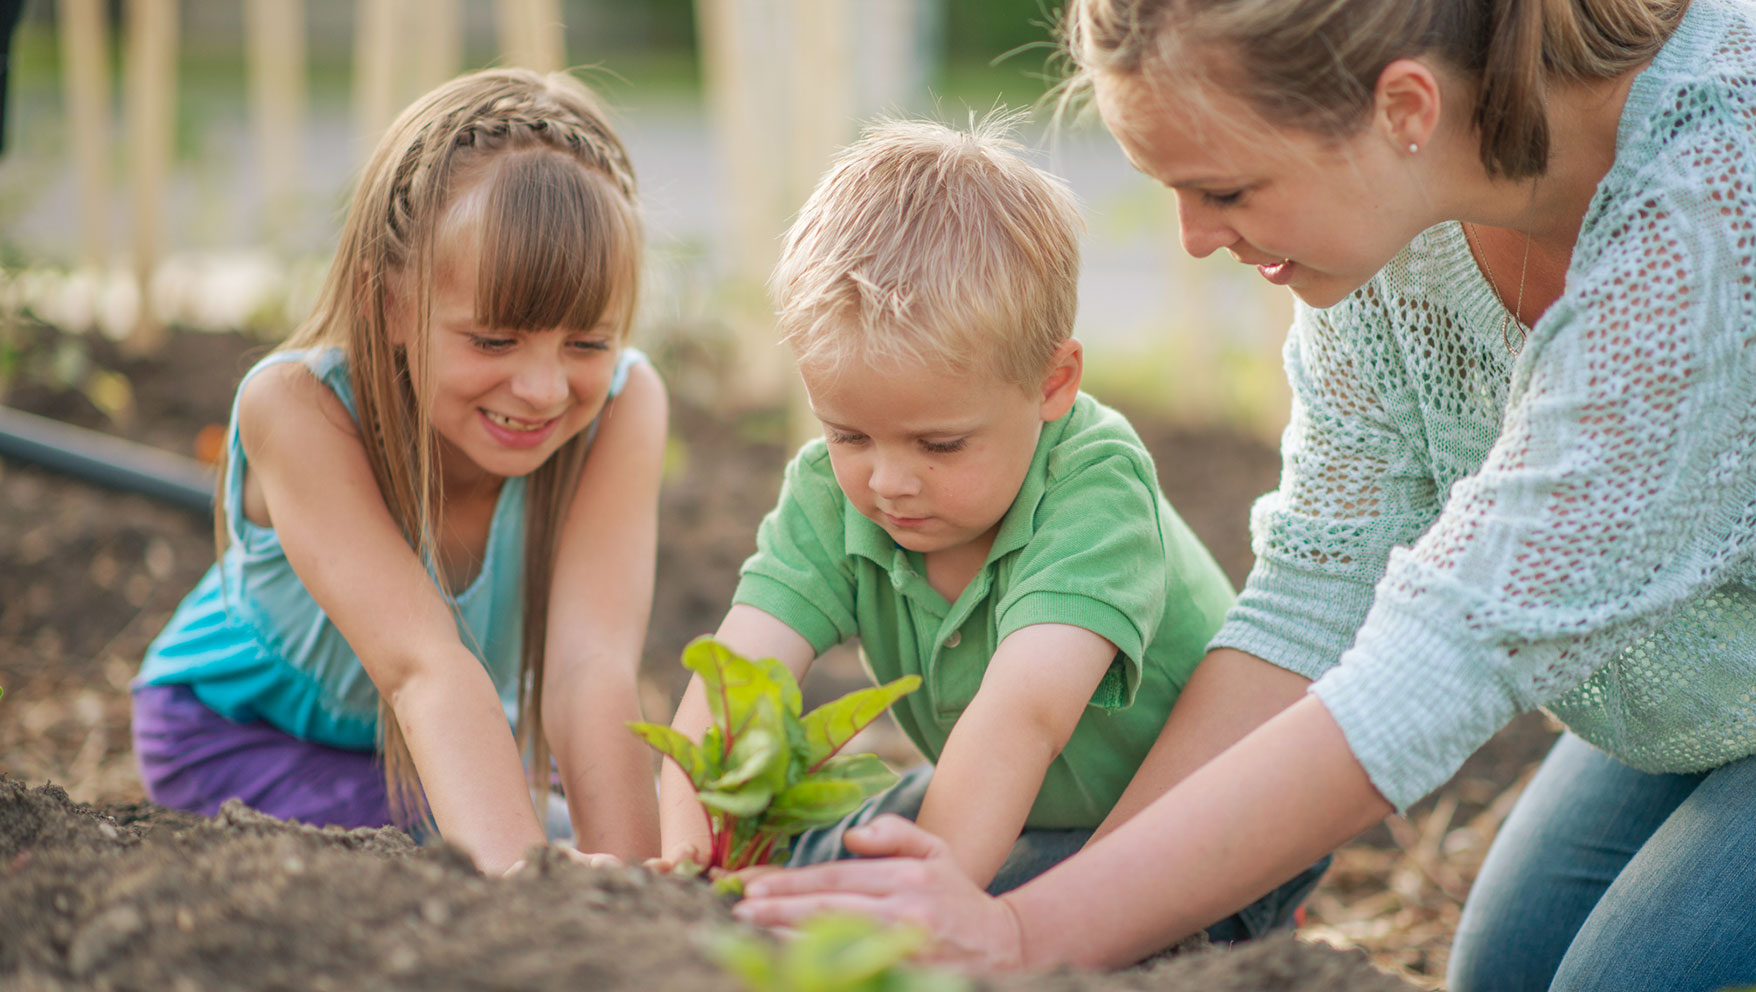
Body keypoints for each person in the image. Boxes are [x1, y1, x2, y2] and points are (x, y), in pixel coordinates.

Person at [731, 1, 1756, 989]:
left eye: (1224, 189)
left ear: (1403, 109)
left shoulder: (1711, 201)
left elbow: (1452, 648)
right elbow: (1312, 598)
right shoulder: (1396, 228)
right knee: (1504, 976)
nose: (1191, 236)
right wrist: (1068, 907)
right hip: (1709, 690)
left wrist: (1021, 932)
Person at [657, 115, 1324, 940]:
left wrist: (913, 920)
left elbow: (1025, 714)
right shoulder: (830, 493)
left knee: (939, 901)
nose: (888, 481)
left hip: (1194, 829)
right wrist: (692, 870)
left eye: (940, 445)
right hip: (1024, 808)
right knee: (817, 859)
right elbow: (738, 683)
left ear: (1053, 384)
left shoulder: (1094, 487)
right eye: (849, 434)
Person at [131, 68, 667, 876]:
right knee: (467, 851)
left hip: (440, 747)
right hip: (242, 735)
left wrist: (636, 881)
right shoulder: (299, 408)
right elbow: (425, 669)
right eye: (493, 340)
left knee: (653, 833)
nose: (543, 388)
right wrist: (538, 885)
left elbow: (590, 667)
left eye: (587, 343)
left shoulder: (625, 406)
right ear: (387, 301)